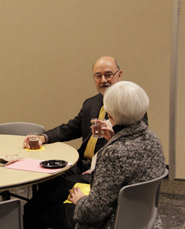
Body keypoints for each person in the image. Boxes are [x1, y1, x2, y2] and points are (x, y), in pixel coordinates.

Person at [22, 56, 148, 228]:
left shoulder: (130, 107)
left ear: (119, 75)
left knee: (49, 197)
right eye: (98, 76)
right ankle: (38, 211)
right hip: (82, 163)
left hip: (104, 170)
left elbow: (132, 146)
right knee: (48, 174)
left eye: (108, 74)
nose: (103, 80)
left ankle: (38, 213)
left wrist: (112, 134)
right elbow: (71, 127)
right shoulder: (91, 103)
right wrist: (45, 137)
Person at [44, 81, 166, 228]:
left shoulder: (113, 153)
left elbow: (93, 213)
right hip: (143, 217)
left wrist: (80, 200)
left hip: (113, 223)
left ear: (109, 114)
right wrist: (113, 139)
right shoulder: (153, 139)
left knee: (42, 212)